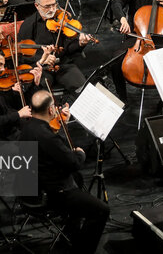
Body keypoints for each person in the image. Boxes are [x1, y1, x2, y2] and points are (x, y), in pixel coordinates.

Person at [19, 90, 109, 253]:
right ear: (50, 110)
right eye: (54, 106)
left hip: (29, 190)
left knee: (78, 179)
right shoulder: (47, 136)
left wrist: (61, 126)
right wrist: (80, 153)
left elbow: (52, 151)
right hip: (52, 194)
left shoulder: (26, 128)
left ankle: (70, 230)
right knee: (101, 210)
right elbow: (73, 162)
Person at [18, 0, 91, 94]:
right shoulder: (29, 25)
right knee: (42, 96)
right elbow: (21, 54)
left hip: (63, 65)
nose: (52, 9)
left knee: (83, 91)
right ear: (37, 6)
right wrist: (42, 59)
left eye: (54, 4)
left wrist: (80, 44)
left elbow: (69, 49)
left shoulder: (63, 18)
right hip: (41, 68)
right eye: (47, 6)